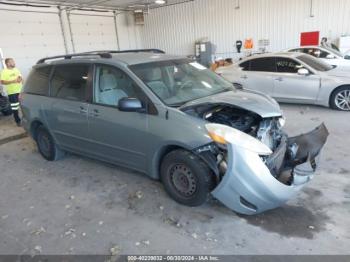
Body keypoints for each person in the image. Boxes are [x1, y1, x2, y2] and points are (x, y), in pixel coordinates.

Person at [0, 58, 23, 126]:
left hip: (20, 91)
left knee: (23, 106)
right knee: (15, 107)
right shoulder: (4, 71)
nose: (14, 62)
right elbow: (2, 81)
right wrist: (12, 81)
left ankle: (25, 119)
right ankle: (17, 121)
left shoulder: (16, 69)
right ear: (8, 63)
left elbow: (20, 77)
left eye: (13, 61)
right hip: (12, 92)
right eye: (12, 62)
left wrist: (20, 79)